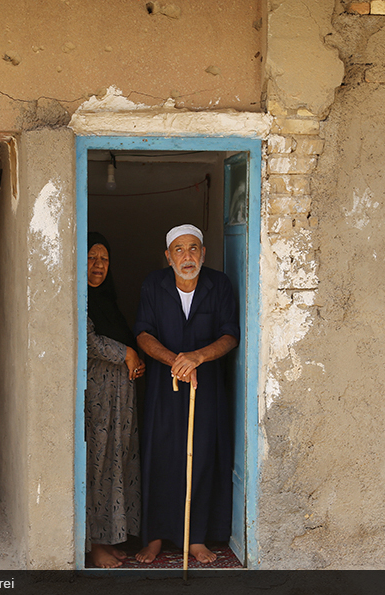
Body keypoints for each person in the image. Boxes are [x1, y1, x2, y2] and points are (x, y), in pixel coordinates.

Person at [133, 224, 239, 564]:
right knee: (161, 457)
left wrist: (197, 357)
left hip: (206, 389)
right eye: (179, 249)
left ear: (204, 253)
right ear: (168, 256)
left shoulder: (218, 284)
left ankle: (195, 539)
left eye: (194, 248)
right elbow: (143, 333)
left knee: (203, 455)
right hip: (165, 390)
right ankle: (156, 537)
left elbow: (230, 334)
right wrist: (175, 361)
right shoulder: (154, 284)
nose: (187, 256)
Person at [85, 232, 144, 568]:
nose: (98, 265)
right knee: (97, 463)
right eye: (92, 258)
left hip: (119, 398)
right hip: (98, 397)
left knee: (116, 465)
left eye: (104, 259)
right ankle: (94, 543)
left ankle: (109, 537)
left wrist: (134, 358)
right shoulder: (82, 298)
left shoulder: (107, 299)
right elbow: (89, 340)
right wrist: (127, 353)